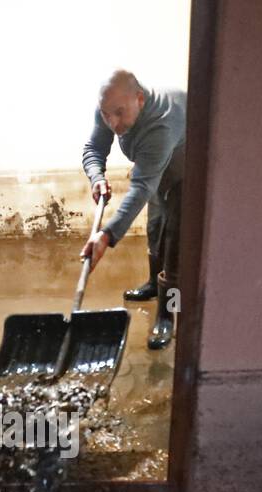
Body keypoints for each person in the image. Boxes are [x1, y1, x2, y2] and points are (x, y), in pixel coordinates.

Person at [81, 70, 187, 349]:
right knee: (154, 232)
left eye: (119, 113)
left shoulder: (163, 122)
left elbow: (141, 188)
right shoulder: (109, 107)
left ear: (139, 99)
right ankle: (153, 284)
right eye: (106, 114)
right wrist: (97, 177)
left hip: (189, 174)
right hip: (157, 172)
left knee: (174, 245)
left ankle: (166, 315)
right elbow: (94, 147)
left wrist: (105, 235)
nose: (112, 122)